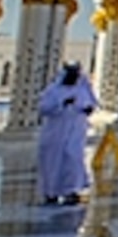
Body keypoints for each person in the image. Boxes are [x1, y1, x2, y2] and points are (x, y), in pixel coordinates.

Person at [34, 61, 98, 203]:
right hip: (56, 132)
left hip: (75, 132)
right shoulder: (54, 90)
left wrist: (86, 109)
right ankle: (51, 191)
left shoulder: (82, 90)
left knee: (73, 158)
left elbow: (91, 105)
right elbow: (44, 108)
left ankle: (72, 189)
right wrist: (62, 104)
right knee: (53, 161)